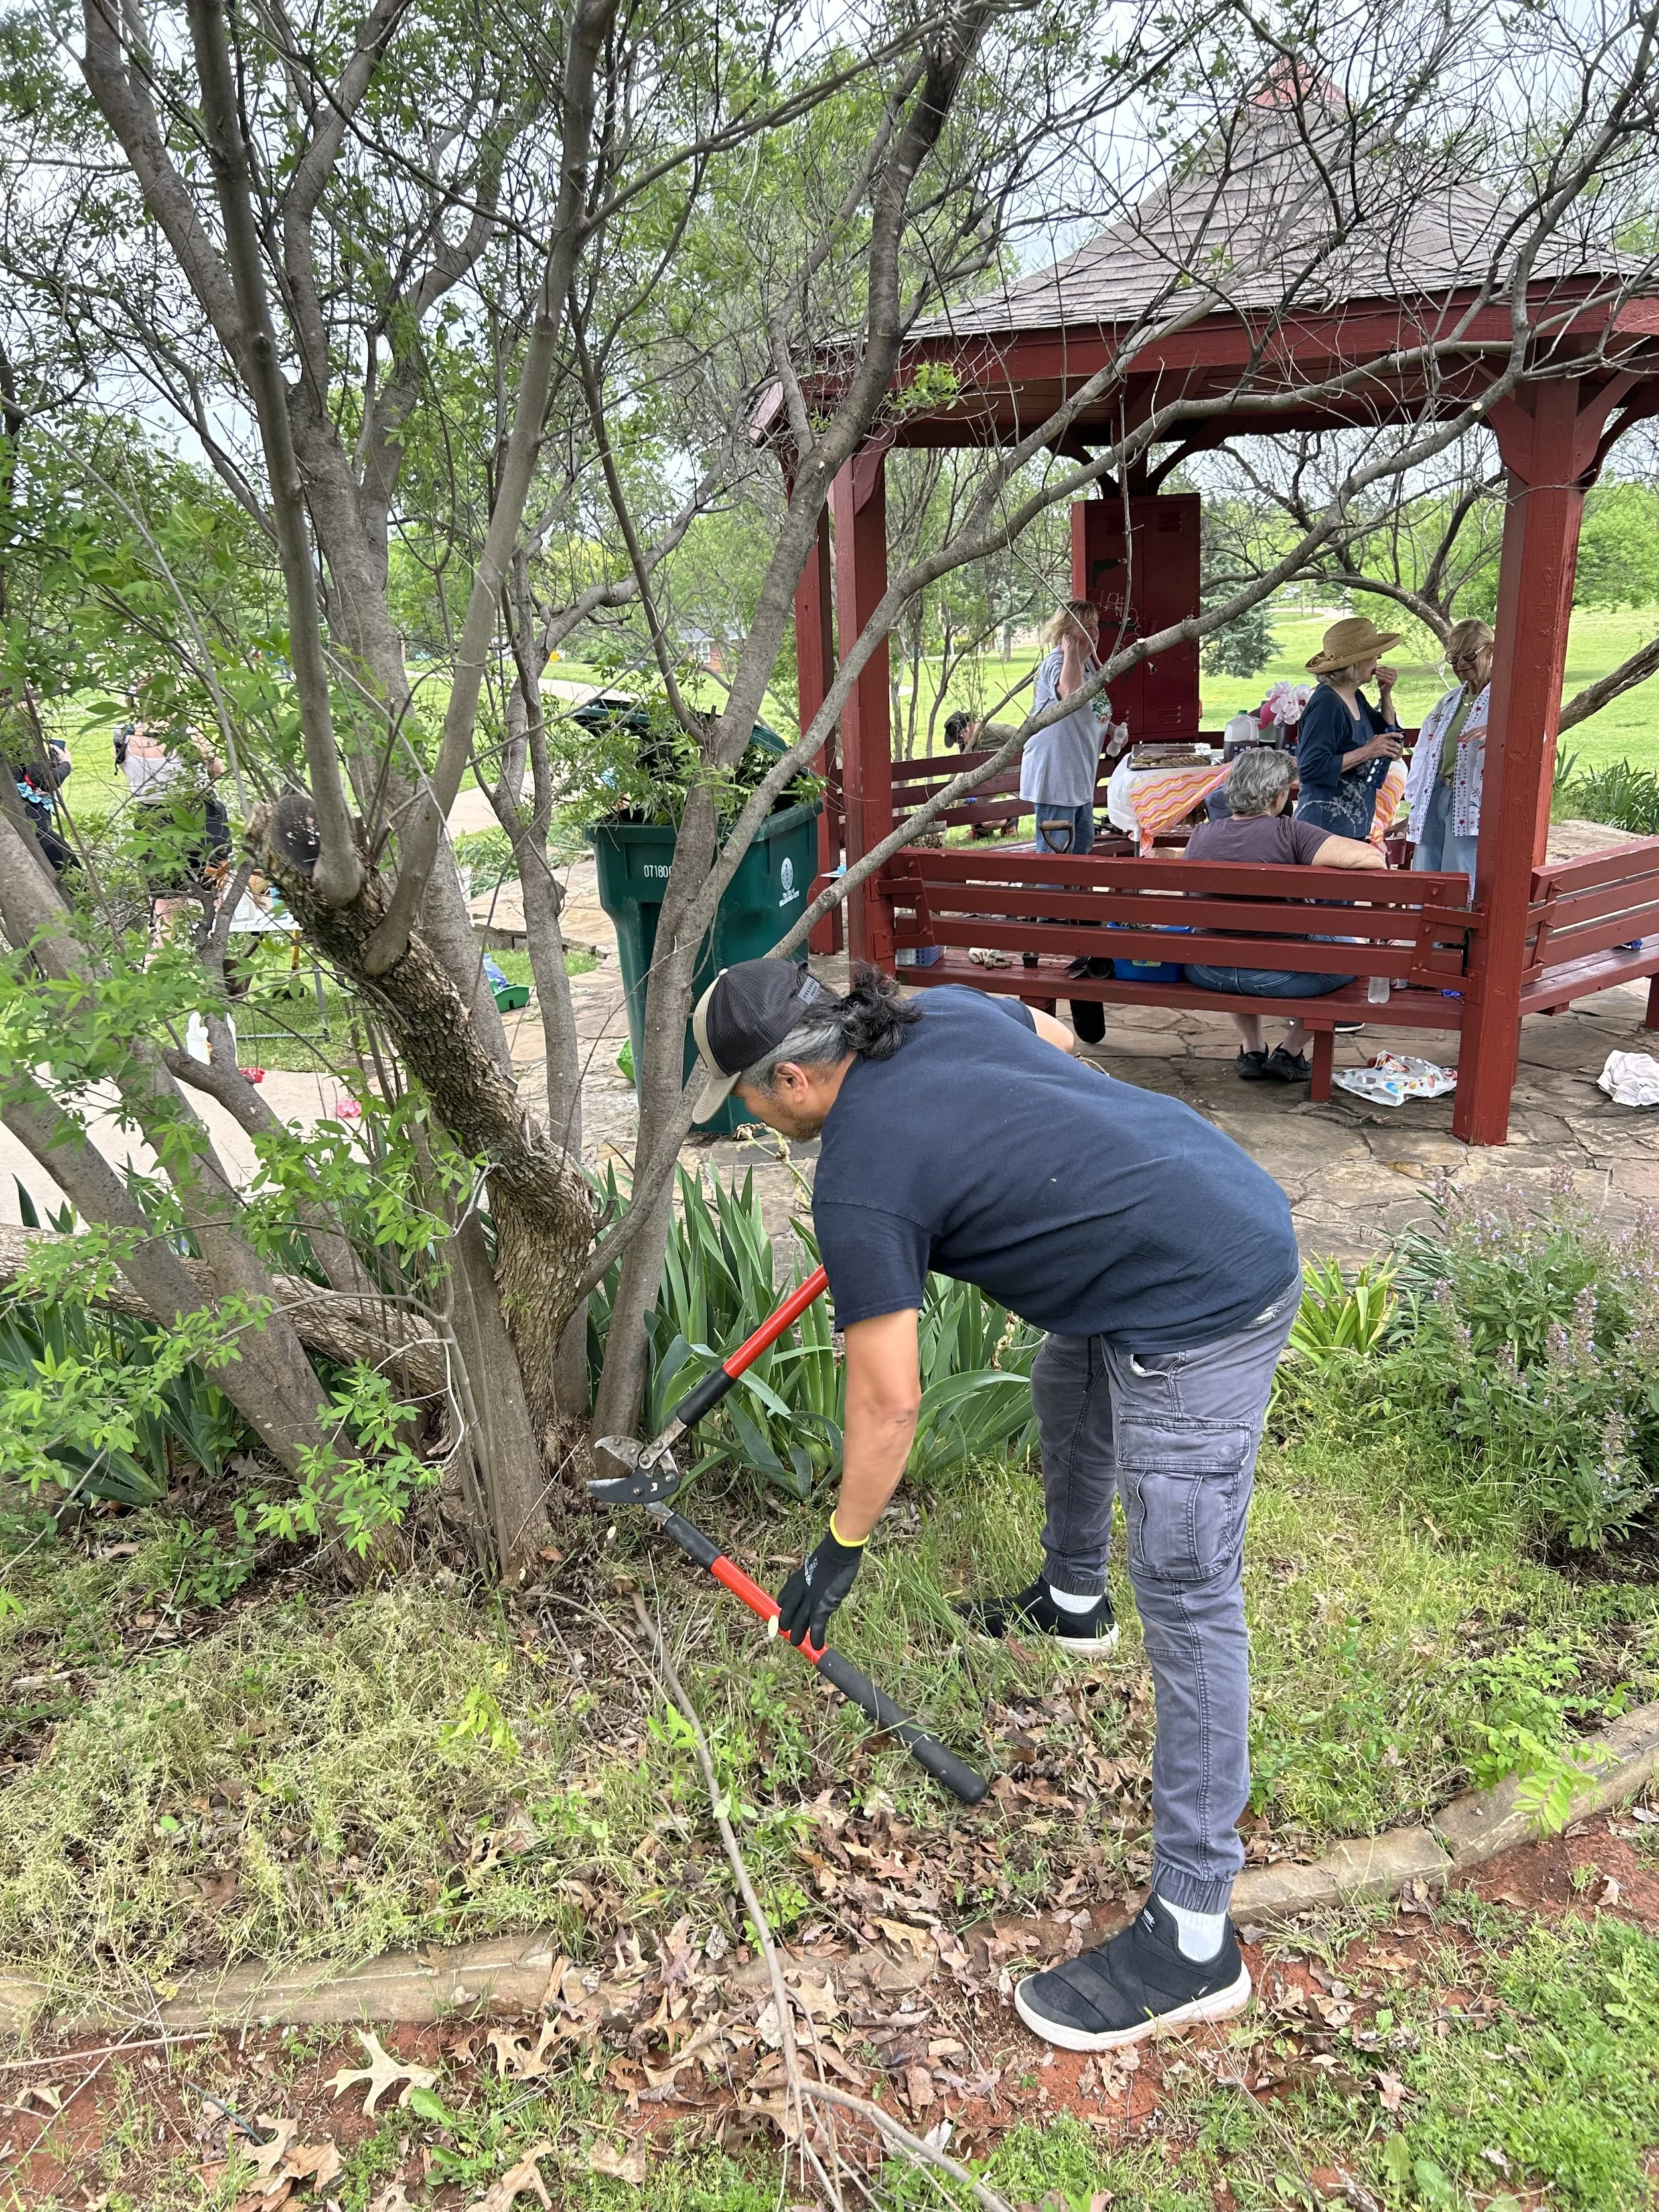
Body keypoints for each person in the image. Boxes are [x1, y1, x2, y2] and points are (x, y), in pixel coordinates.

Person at [691, 958, 1303, 2053]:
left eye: (743, 1096)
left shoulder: (860, 1174)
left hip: (1206, 1292)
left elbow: (887, 1407)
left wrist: (839, 1548)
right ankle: (1073, 1599)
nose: (745, 1114)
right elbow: (1052, 1040)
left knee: (1188, 1591)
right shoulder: (934, 1012)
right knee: (1068, 1376)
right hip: (1188, 1197)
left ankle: (1196, 1934)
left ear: (789, 1077)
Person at [1184, 749, 1385, 1084]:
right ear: (1279, 796)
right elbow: (1371, 858)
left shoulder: (1201, 835)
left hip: (1207, 970)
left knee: (1229, 941)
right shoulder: (1291, 833)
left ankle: (1252, 1049)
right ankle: (1290, 1053)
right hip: (1281, 977)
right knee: (1352, 953)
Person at [1293, 617, 1404, 841]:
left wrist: (1386, 694)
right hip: (1323, 831)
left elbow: (1391, 740)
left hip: (1350, 829)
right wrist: (1367, 752)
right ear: (1357, 662)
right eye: (1374, 656)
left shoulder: (1355, 696)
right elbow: (1310, 768)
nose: (1378, 662)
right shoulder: (1327, 704)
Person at [1404, 619, 1492, 897]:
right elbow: (1423, 749)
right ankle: (1425, 935)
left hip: (1471, 800)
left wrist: (1500, 731)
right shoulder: (1450, 700)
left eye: (1469, 656)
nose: (1460, 665)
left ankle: (1455, 938)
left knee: (1460, 872)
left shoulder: (1506, 699)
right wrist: (1415, 797)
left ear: (1491, 651)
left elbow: (1537, 737)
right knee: (1426, 868)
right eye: (1453, 658)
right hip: (1436, 792)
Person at [1022, 600, 1114, 855]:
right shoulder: (1055, 663)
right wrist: (1071, 651)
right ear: (1065, 633)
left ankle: (1077, 898)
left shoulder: (1089, 666)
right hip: (1056, 780)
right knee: (1057, 856)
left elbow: (1094, 711)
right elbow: (1070, 694)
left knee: (1082, 848)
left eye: (1096, 626)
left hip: (1080, 779)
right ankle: (1050, 897)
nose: (1094, 633)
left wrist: (1113, 730)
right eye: (1085, 627)